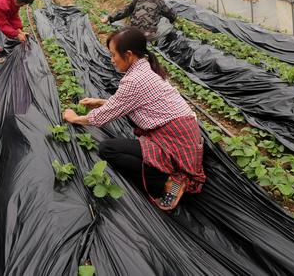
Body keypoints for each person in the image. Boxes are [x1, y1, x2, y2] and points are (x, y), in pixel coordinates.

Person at [63, 27, 205, 210]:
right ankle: (165, 171)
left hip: (175, 142)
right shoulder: (145, 69)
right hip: (183, 135)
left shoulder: (135, 80)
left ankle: (168, 181)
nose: (112, 60)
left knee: (108, 149)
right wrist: (101, 102)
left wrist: (76, 118)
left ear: (128, 55)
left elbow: (104, 117)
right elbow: (132, 103)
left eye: (113, 55)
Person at [100, 0, 176, 41]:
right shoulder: (160, 3)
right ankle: (168, 38)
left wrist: (109, 17)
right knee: (165, 21)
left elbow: (125, 11)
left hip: (132, 31)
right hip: (147, 35)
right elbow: (173, 16)